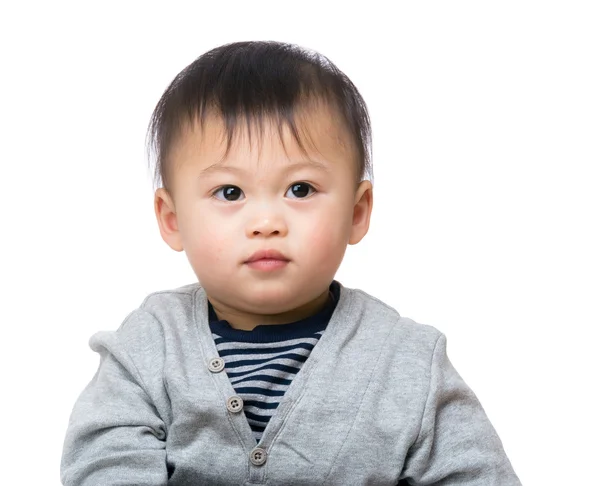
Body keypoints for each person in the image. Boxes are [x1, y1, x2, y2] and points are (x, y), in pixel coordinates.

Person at [60, 41, 521, 485]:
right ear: (172, 218)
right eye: (230, 192)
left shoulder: (408, 362)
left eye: (300, 189)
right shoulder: (147, 348)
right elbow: (104, 466)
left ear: (357, 213)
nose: (266, 222)